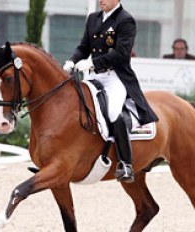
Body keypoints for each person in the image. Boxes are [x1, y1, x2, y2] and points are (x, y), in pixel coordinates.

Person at [63, 0, 158, 183]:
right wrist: (72, 61)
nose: (101, 0)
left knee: (114, 112)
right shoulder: (93, 18)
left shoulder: (125, 20)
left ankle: (126, 164)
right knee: (73, 104)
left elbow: (121, 54)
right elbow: (84, 47)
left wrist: (92, 63)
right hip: (93, 76)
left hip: (115, 77)